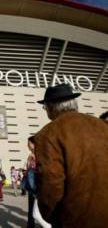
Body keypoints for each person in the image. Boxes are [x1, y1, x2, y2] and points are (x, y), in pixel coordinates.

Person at [35, 83, 108, 228]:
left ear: (51, 107)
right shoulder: (102, 126)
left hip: (76, 219)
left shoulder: (48, 134)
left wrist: (55, 218)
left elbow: (50, 184)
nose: (45, 110)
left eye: (45, 106)